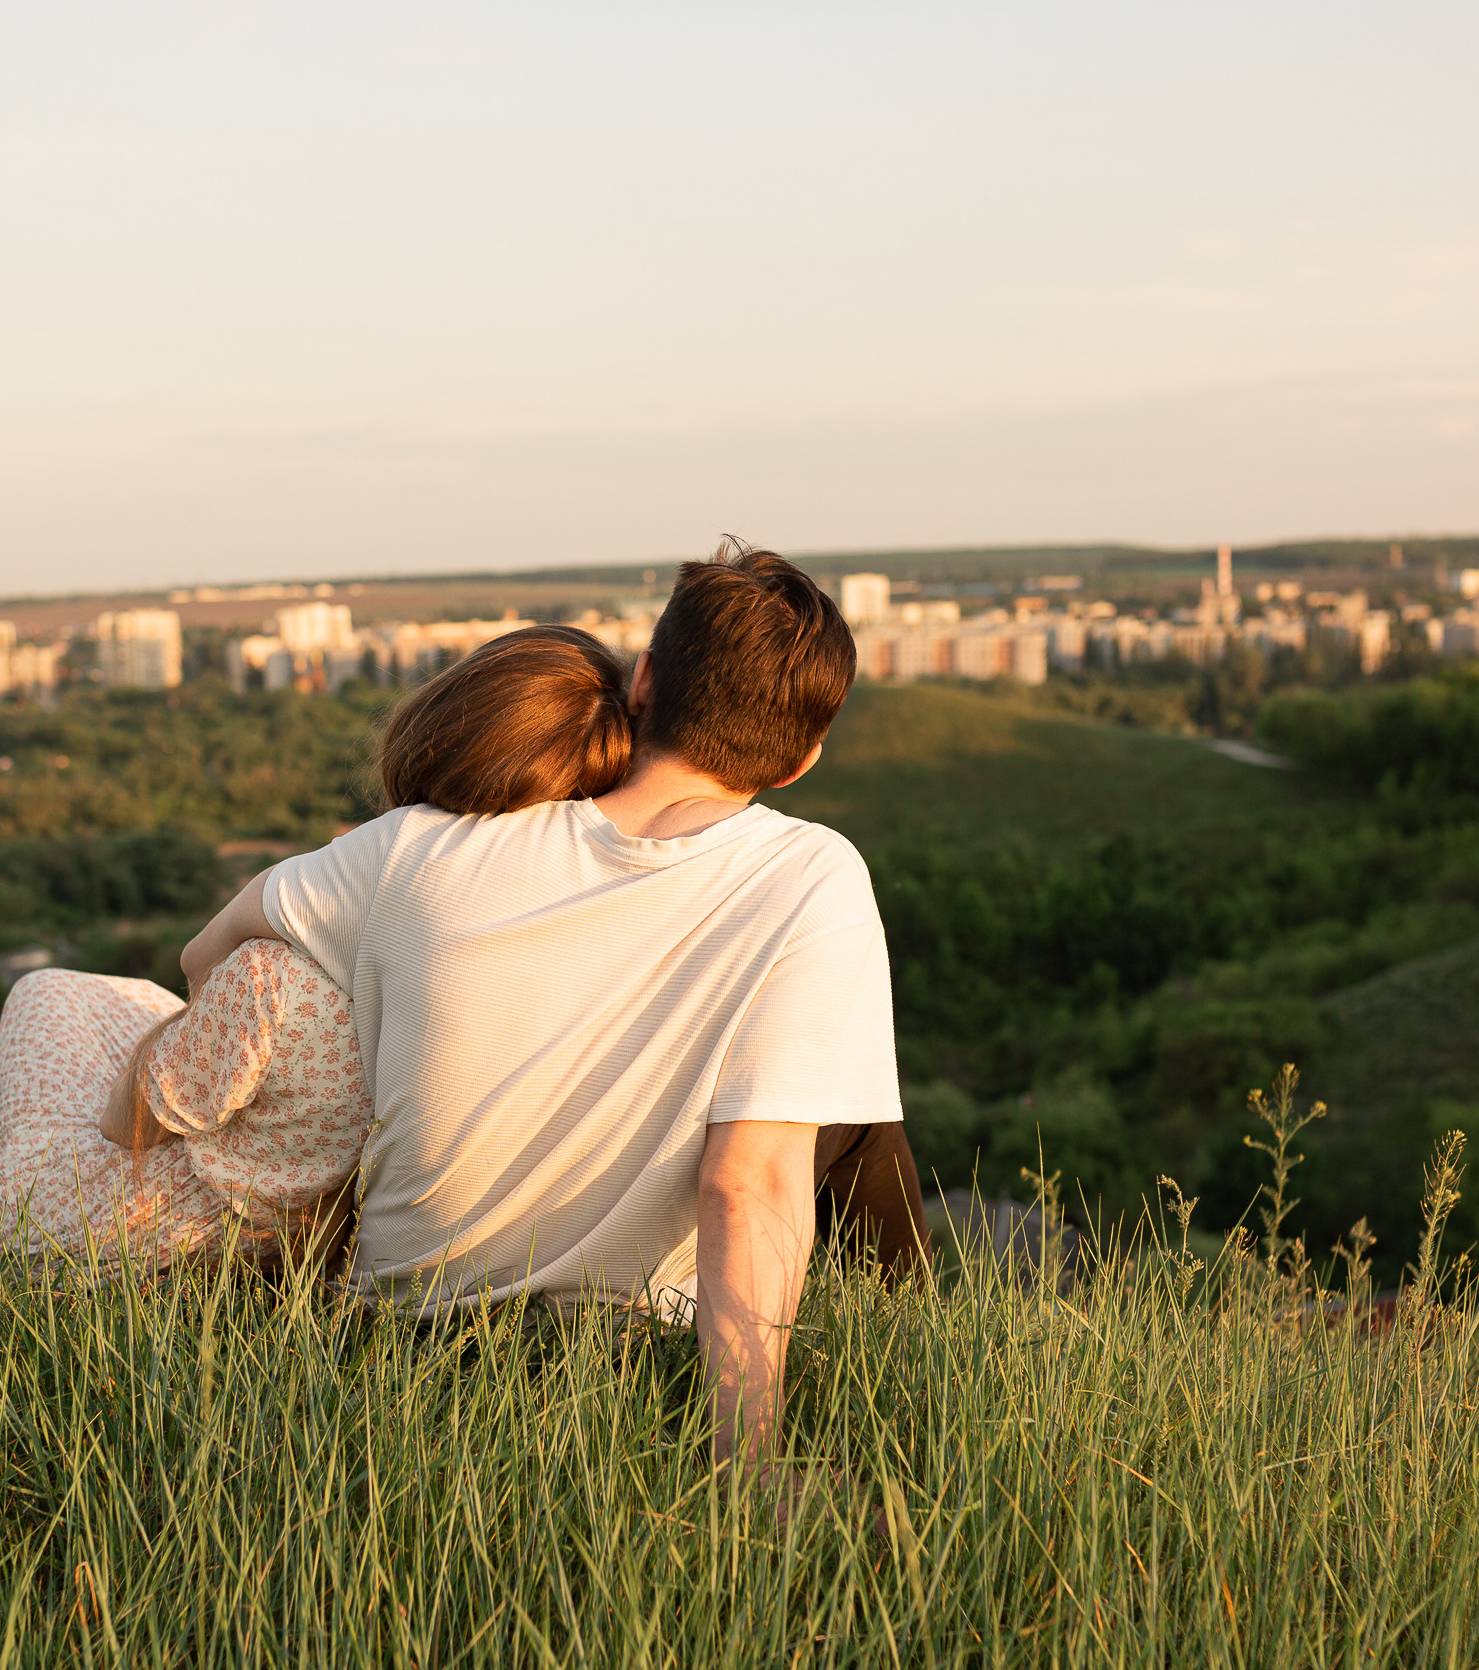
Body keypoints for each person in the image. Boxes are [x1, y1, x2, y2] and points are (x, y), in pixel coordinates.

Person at [175, 541, 924, 1473]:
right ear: (803, 758)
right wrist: (750, 1469)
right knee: (845, 1113)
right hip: (611, 1357)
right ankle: (916, 1327)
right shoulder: (810, 874)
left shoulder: (415, 845)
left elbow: (208, 956)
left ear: (644, 683)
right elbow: (748, 1182)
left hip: (390, 1347)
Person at [0, 625, 635, 1263]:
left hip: (180, 1224)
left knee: (45, 995)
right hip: (325, 1214)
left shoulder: (280, 975)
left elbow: (132, 1123)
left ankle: (1, 1204)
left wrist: (194, 1026)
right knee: (126, 997)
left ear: (440, 734)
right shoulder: (559, 958)